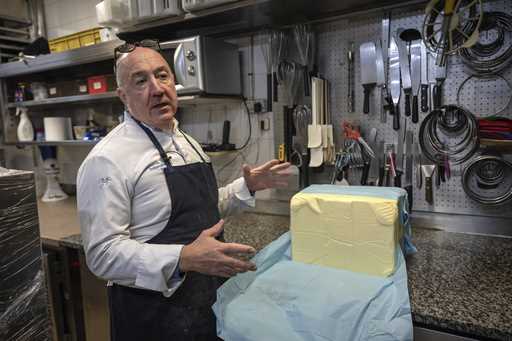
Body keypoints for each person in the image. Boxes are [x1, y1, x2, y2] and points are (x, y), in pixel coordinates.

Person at [76, 42, 291, 341]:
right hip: (152, 318)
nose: (157, 88)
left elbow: (203, 209)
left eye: (162, 76)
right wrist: (183, 258)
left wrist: (247, 187)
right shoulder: (107, 159)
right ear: (123, 97)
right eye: (141, 81)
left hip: (205, 304)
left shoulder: (187, 142)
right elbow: (102, 254)